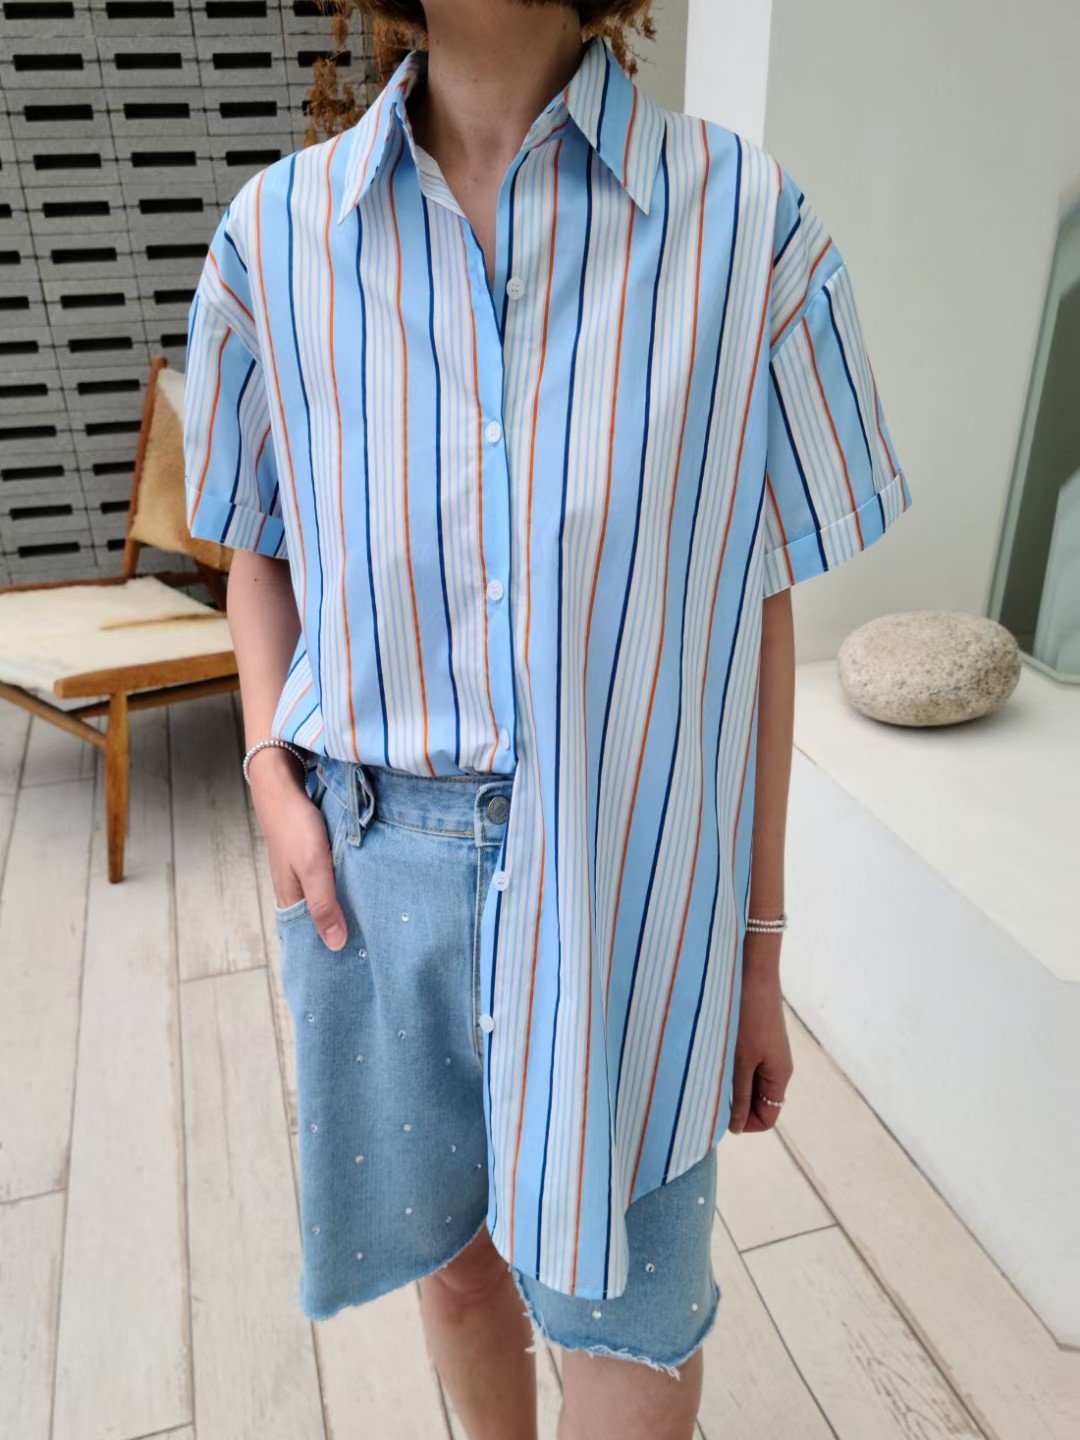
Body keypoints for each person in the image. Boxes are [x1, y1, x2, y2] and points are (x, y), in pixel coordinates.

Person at [182, 2, 913, 1437]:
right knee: (455, 1272)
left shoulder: (742, 228)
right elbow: (254, 542)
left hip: (625, 889)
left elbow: (755, 596)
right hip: (375, 874)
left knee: (632, 1322)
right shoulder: (277, 241)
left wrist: (759, 945)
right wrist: (271, 768)